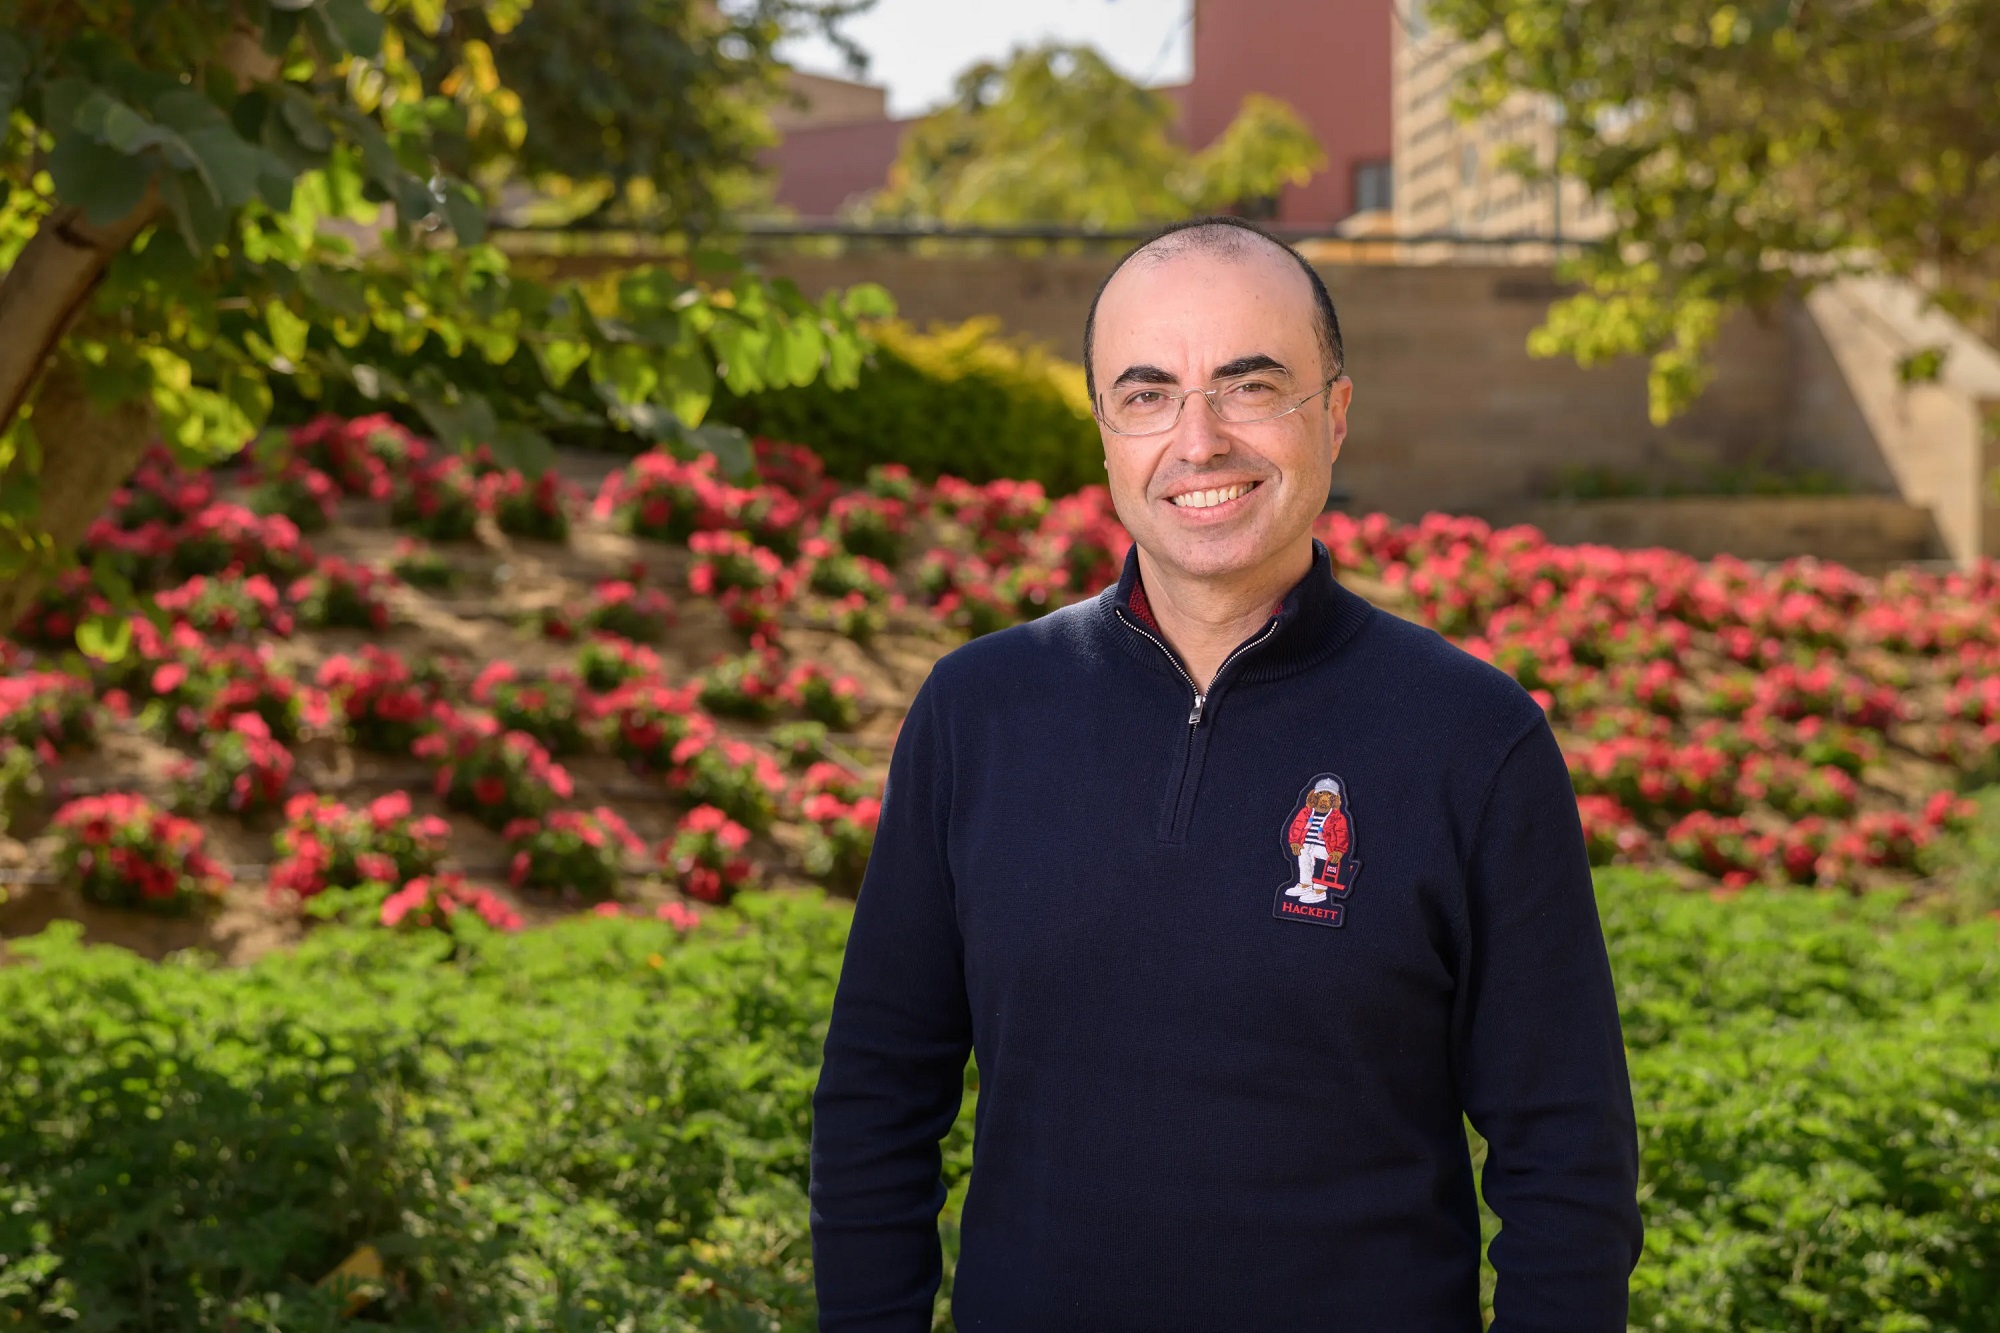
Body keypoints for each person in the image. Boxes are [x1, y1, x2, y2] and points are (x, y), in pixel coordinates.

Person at [809, 215, 1642, 1331]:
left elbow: (1567, 1162)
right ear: (1104, 432)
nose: (1196, 440)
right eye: (1146, 394)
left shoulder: (1472, 738)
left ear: (1334, 415)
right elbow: (876, 1099)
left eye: (1250, 387)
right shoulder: (978, 714)